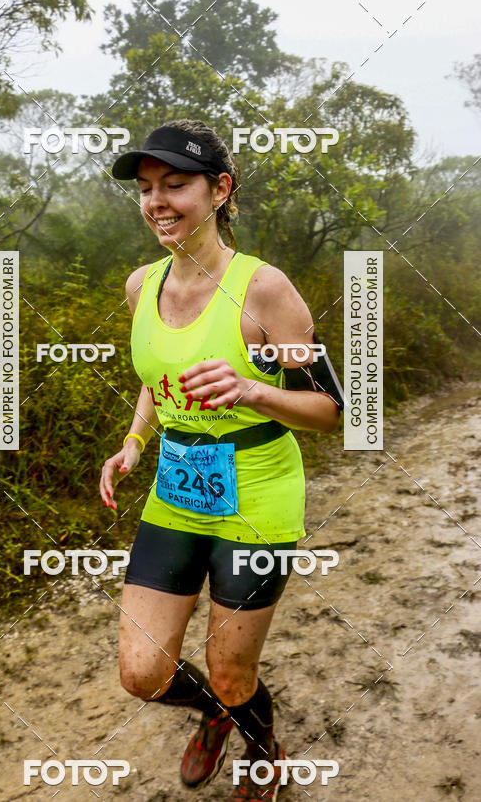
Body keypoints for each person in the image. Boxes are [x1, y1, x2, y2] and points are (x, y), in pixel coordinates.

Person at [99, 120, 343, 801]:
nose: (157, 201)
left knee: (233, 673)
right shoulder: (141, 285)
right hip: (177, 493)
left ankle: (264, 750)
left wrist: (253, 389)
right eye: (146, 188)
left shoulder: (263, 289)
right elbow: (158, 376)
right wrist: (134, 441)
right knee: (142, 673)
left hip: (258, 496)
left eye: (176, 184)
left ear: (220, 190)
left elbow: (331, 410)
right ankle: (216, 714)